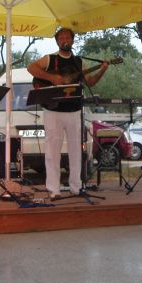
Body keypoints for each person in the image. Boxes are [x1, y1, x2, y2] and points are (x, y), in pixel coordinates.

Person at [27, 27, 109, 199]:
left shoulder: (78, 62)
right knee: (52, 151)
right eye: (62, 38)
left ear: (72, 40)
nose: (65, 40)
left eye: (68, 38)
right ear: (57, 41)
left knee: (76, 151)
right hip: (53, 110)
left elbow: (90, 82)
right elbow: (31, 68)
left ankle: (76, 187)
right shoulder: (50, 59)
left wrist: (102, 70)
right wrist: (52, 78)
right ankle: (53, 190)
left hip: (74, 110)